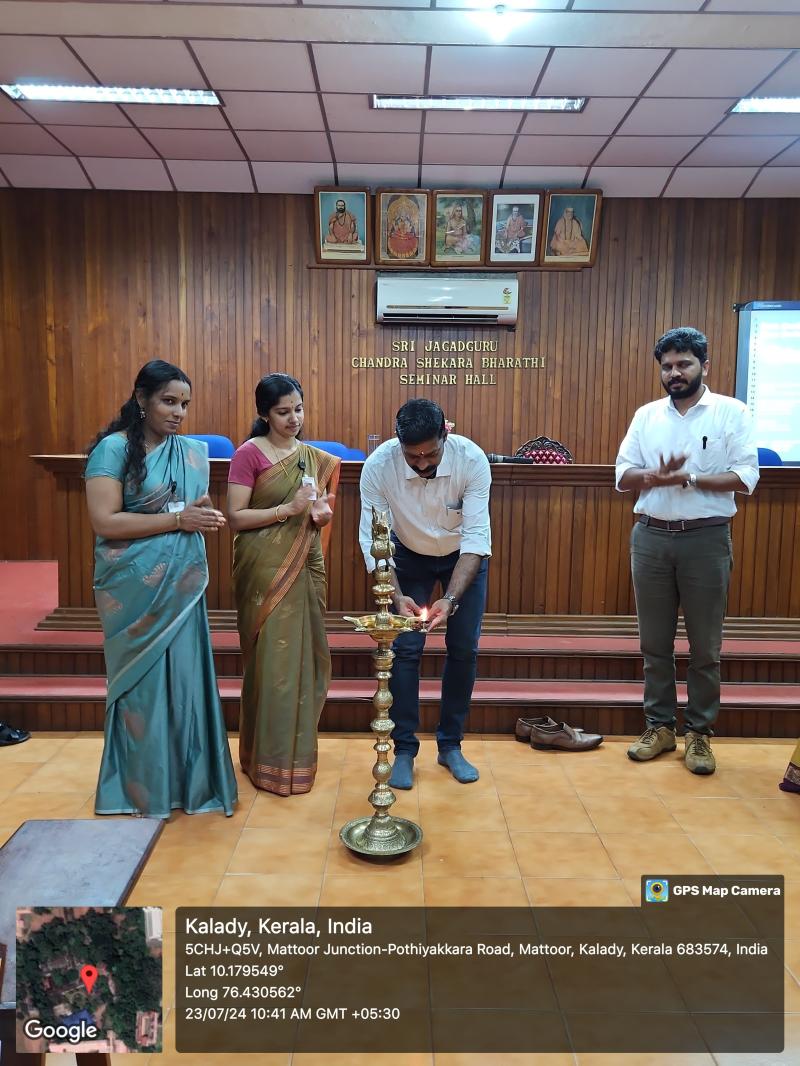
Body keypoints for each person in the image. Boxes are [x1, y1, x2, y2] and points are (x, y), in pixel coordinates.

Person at [84, 360, 237, 818]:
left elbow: (185, 510)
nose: (178, 413)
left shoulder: (189, 453)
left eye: (184, 404)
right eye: (169, 401)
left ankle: (189, 787)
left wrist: (198, 513)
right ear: (142, 399)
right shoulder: (112, 450)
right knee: (144, 690)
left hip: (181, 587)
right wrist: (178, 520)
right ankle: (141, 791)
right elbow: (105, 522)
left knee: (185, 685)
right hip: (133, 590)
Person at [615, 327, 759, 775]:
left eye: (683, 364)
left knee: (705, 647)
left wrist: (688, 478)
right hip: (651, 538)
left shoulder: (731, 412)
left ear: (704, 366)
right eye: (667, 366)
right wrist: (653, 476)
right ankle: (659, 727)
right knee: (654, 645)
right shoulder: (647, 416)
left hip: (706, 540)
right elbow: (622, 474)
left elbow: (745, 477)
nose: (674, 373)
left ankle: (699, 733)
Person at [359, 399, 491, 788]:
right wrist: (395, 595)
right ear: (398, 442)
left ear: (445, 435)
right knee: (404, 650)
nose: (421, 463)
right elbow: (374, 539)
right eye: (412, 455)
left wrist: (450, 599)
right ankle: (403, 749)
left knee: (464, 648)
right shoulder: (379, 467)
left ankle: (450, 745)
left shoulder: (472, 460)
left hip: (461, 558)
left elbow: (476, 537)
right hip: (407, 557)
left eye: (430, 454)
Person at [227, 374, 340, 795]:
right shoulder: (249, 454)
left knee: (305, 659)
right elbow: (236, 517)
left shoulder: (311, 458)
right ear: (264, 414)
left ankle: (297, 760)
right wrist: (287, 510)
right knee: (273, 665)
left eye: (299, 409)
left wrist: (319, 515)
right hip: (264, 567)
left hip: (305, 562)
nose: (294, 419)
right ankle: (265, 761)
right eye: (283, 412)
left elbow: (316, 510)